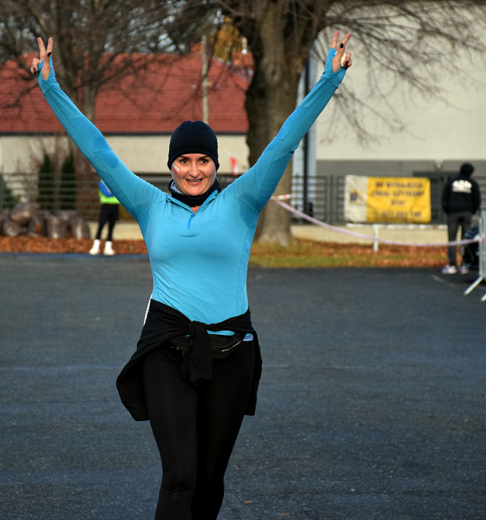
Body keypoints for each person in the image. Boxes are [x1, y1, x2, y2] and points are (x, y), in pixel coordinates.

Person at [31, 32, 353, 520]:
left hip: (233, 351)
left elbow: (285, 140)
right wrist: (51, 87)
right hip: (167, 347)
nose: (194, 169)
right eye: (184, 159)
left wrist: (328, 79)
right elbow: (98, 149)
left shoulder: (242, 201)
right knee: (180, 475)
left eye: (203, 159)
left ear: (215, 164)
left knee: (209, 479)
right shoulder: (148, 203)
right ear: (172, 165)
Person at [442, 162, 481, 275]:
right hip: (467, 213)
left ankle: (452, 264)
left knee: (452, 239)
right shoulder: (472, 183)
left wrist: (448, 211)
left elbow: (444, 198)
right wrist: (472, 211)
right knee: (466, 239)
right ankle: (465, 264)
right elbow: (477, 200)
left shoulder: (451, 182)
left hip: (453, 213)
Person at [89, 179, 120, 256]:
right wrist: (116, 191)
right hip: (105, 206)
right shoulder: (102, 182)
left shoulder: (117, 181)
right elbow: (106, 193)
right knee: (101, 226)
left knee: (111, 227)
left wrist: (112, 191)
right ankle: (96, 246)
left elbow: (120, 193)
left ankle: (108, 248)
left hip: (115, 207)